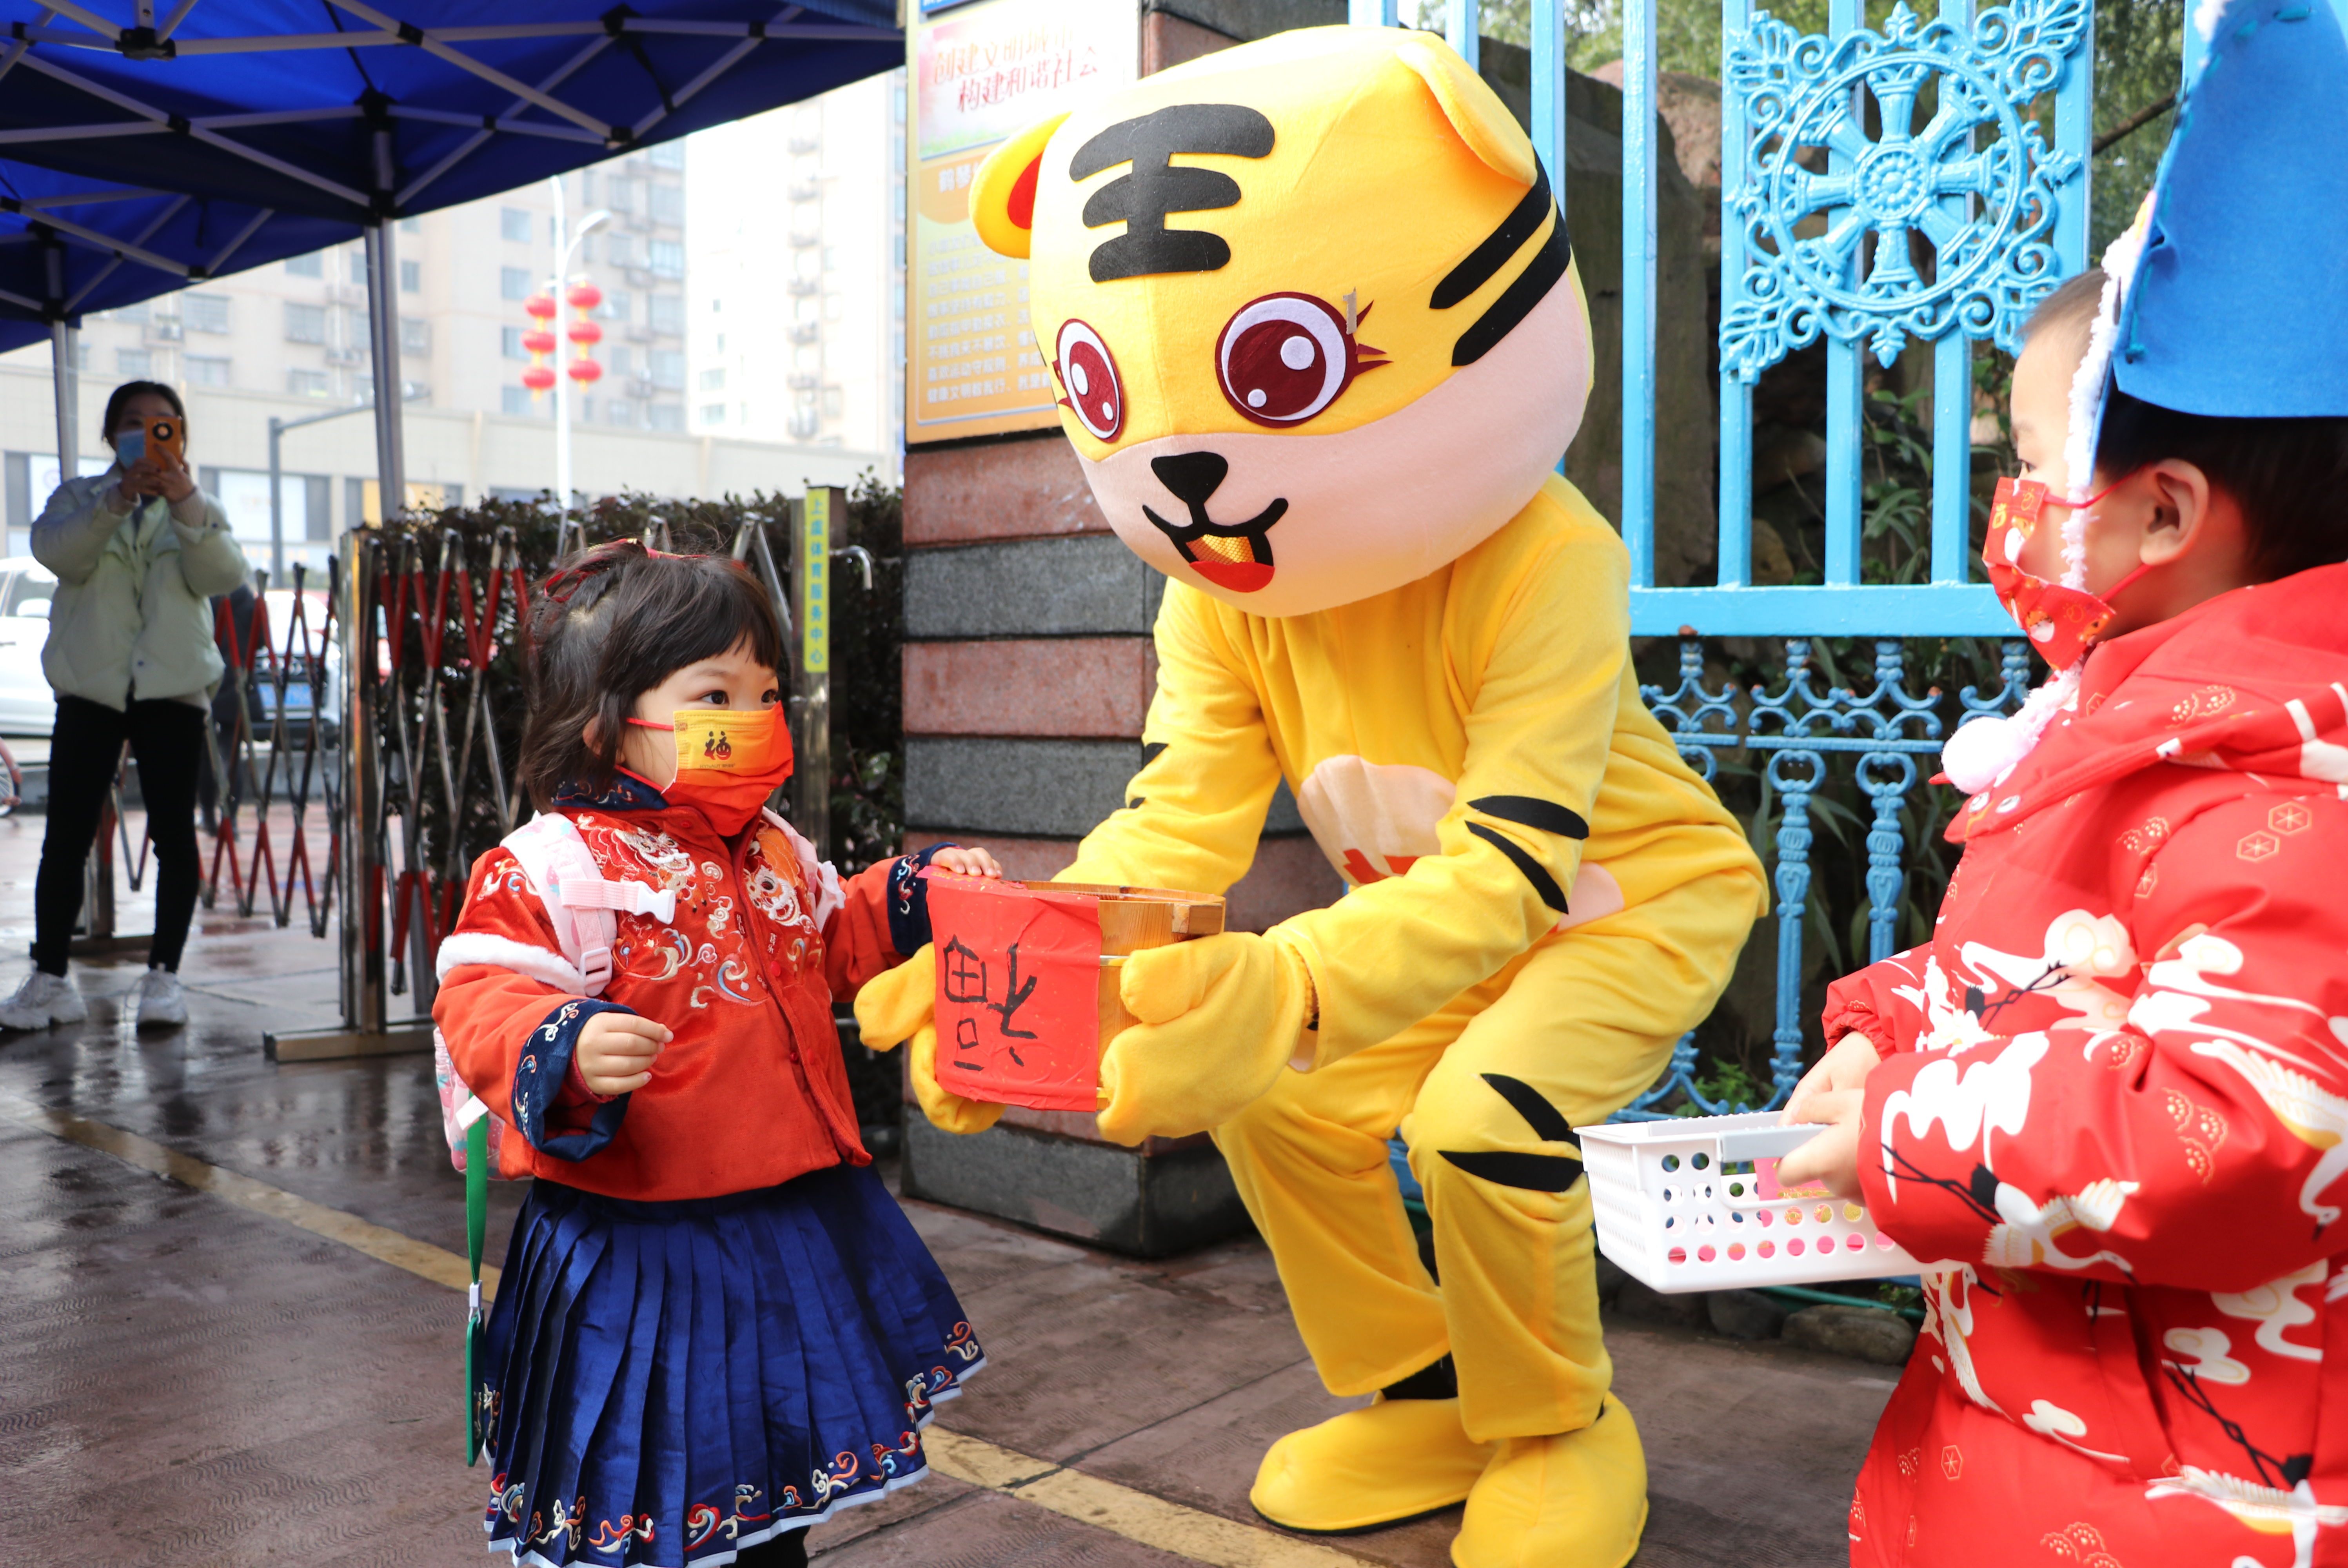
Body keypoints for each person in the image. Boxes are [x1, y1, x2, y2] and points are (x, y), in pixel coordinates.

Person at [867, 28, 1768, 1566]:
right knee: (1284, 1106)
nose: (1193, 468)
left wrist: (1283, 983)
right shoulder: (1229, 592)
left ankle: (1557, 1422)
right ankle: (1425, 1389)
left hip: (1628, 902)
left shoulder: (1547, 557)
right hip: (1436, 927)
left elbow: (1513, 870)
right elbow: (1181, 817)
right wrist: (1023, 967)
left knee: (1483, 1116)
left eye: (1280, 364)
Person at [1777, 4, 2348, 1561]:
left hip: (2193, 1509)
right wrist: (1888, 1028)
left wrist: (1912, 1124)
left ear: (2165, 513)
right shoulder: (2130, 729)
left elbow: (2254, 1124)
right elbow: (2043, 970)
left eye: (2034, 468)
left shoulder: (2302, 779)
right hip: (2026, 1453)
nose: (2011, 516)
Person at [433, 541, 999, 1568]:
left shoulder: (776, 846)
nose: (757, 719)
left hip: (787, 1228)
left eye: (767, 693)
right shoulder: (551, 862)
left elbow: (834, 945)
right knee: (657, 1488)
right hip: (639, 1247)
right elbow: (477, 995)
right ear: (609, 718)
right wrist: (555, 1038)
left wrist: (909, 895)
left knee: (770, 1488)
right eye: (716, 693)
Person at [2, 381, 248, 1033]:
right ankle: (51, 977)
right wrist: (117, 502)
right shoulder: (79, 498)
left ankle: (164, 977)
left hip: (173, 685)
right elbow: (58, 554)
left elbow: (222, 577)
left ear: (181, 437)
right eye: (135, 423)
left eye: (164, 424)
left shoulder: (198, 505)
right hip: (92, 684)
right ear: (112, 436)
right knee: (67, 834)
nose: (149, 433)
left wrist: (185, 502)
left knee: (173, 833)